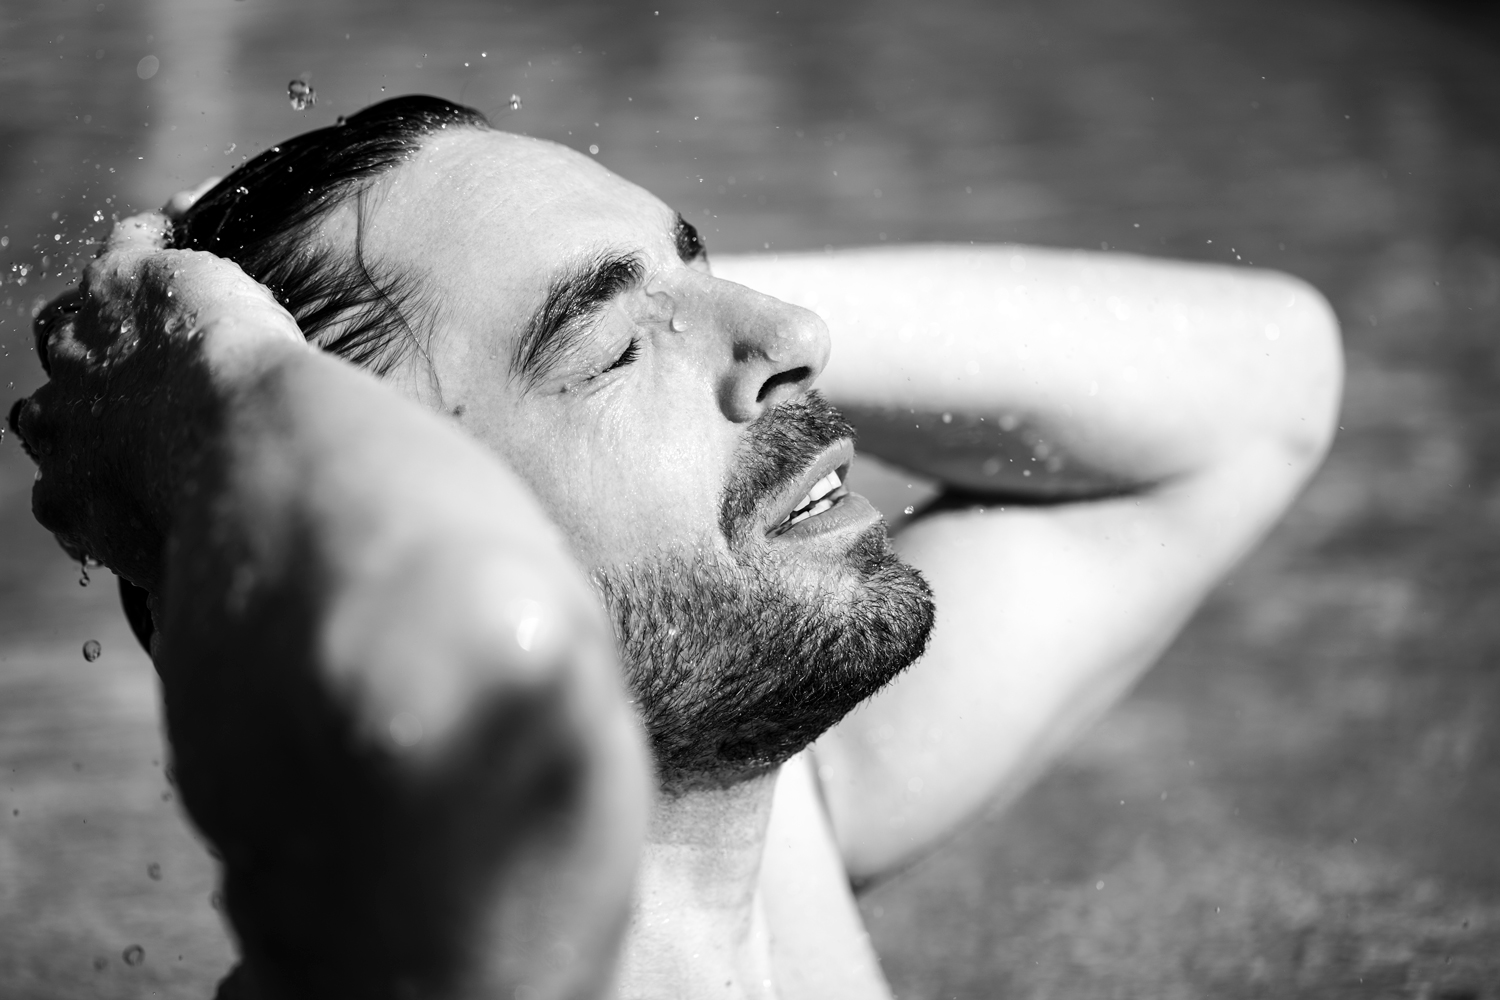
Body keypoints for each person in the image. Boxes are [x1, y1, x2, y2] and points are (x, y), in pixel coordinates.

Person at [10, 96, 1342, 999]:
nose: (800, 338)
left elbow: (1262, 391)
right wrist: (212, 385)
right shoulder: (425, 953)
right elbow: (453, 634)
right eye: (608, 352)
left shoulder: (767, 844)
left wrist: (654, 296)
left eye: (701, 264)